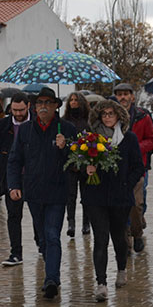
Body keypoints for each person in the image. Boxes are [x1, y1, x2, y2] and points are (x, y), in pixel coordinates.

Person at [7, 87, 76, 299]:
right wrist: (13, 185)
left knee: (52, 234)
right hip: (34, 193)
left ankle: (51, 279)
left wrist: (66, 147)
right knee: (43, 239)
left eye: (48, 102)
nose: (43, 106)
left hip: (57, 192)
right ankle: (51, 270)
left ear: (56, 106)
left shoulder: (66, 128)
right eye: (39, 103)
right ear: (34, 107)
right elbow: (15, 159)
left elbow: (77, 161)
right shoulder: (26, 130)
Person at [81, 100, 145, 302]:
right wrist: (86, 170)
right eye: (104, 114)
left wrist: (126, 184)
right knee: (100, 239)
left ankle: (121, 269)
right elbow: (79, 163)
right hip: (95, 197)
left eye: (111, 113)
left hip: (120, 198)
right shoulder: (90, 139)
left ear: (119, 116)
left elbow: (138, 167)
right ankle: (101, 283)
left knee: (118, 237)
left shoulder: (129, 139)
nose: (107, 117)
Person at [0, 92, 40, 267]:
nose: (18, 114)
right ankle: (15, 252)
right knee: (13, 215)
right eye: (14, 110)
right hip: (11, 176)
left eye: (21, 110)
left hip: (33, 176)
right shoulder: (4, 124)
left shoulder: (36, 124)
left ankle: (41, 243)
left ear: (28, 107)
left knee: (37, 213)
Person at [113, 83, 153, 253]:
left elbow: (152, 139)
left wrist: (136, 147)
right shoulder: (110, 117)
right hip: (117, 169)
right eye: (119, 94)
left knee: (137, 204)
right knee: (121, 206)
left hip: (138, 167)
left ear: (132, 96)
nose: (123, 97)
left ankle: (137, 233)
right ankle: (125, 243)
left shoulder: (142, 116)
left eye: (126, 94)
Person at [62, 92, 92, 237]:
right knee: (70, 195)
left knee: (86, 195)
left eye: (76, 100)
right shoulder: (64, 120)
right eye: (71, 100)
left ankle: (86, 223)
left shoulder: (88, 120)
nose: (73, 102)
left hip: (85, 163)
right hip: (70, 165)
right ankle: (71, 222)